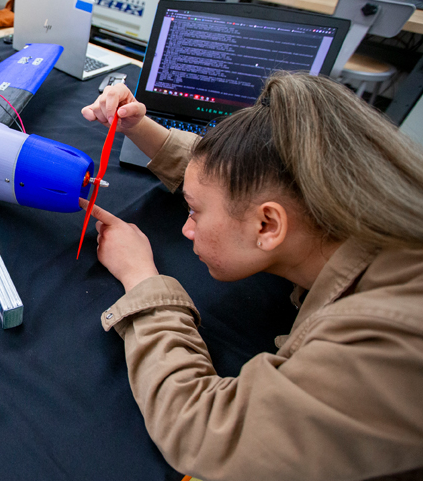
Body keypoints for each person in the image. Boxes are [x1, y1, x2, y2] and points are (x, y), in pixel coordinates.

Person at [80, 72, 423, 480]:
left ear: (267, 226)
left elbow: (206, 430)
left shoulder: (383, 348)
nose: (187, 229)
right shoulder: (360, 201)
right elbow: (237, 181)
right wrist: (141, 129)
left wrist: (140, 278)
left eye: (194, 212)